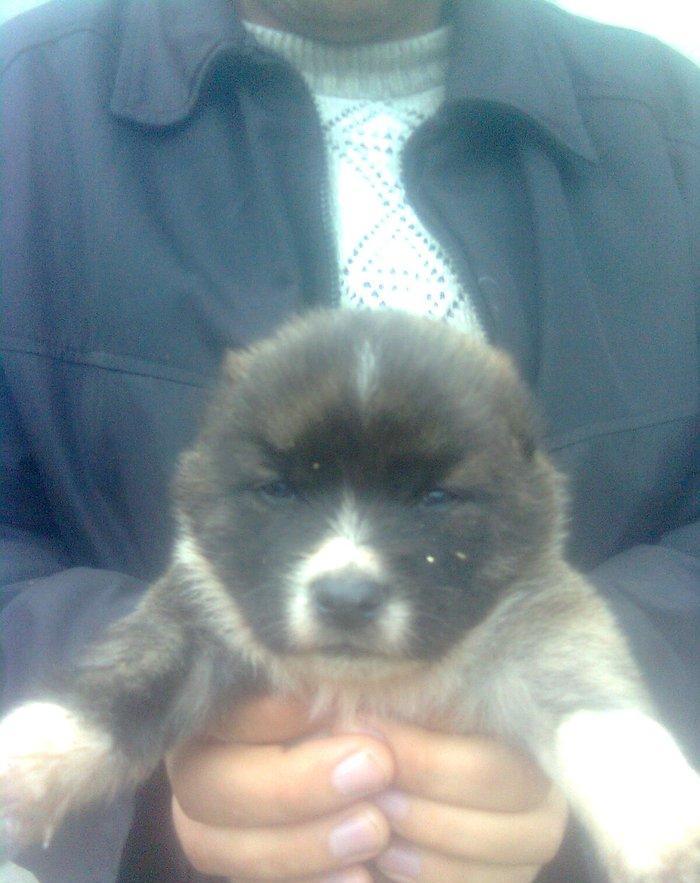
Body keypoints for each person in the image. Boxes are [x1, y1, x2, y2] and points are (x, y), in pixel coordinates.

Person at [1, 0, 697, 881]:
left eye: (435, 493)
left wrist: (601, 750)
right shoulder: (21, 99)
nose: (348, 568)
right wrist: (111, 749)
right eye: (282, 488)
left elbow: (562, 625)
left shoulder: (672, 123)